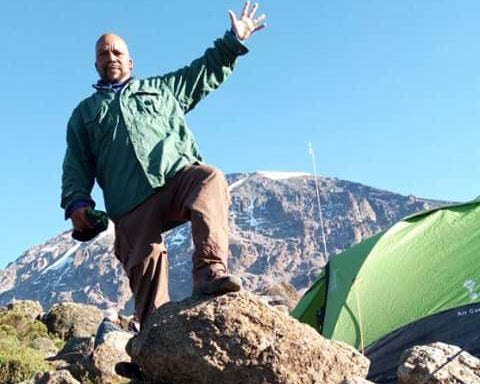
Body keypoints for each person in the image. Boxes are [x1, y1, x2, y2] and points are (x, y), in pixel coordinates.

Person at [60, 2, 266, 326]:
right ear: (95, 64)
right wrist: (77, 206)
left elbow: (202, 72)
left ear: (130, 60)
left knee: (209, 178)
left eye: (116, 52)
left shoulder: (161, 90)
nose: (110, 57)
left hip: (174, 181)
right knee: (149, 287)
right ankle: (151, 349)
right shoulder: (84, 114)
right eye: (103, 54)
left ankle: (210, 272)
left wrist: (233, 39)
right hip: (130, 204)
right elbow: (76, 165)